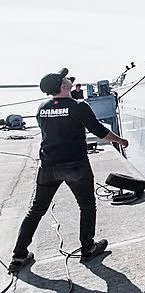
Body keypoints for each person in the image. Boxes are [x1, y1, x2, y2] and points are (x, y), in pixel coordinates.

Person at [6, 68, 129, 274]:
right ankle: (87, 248)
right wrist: (120, 140)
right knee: (87, 206)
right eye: (66, 79)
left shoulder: (42, 108)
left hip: (48, 166)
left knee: (36, 210)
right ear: (63, 86)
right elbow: (98, 130)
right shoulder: (79, 106)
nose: (69, 80)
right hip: (75, 166)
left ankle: (19, 255)